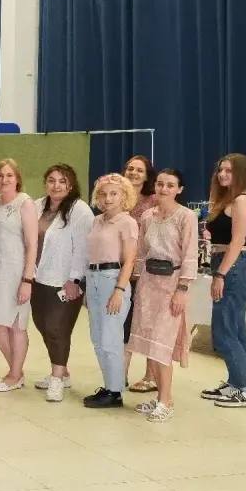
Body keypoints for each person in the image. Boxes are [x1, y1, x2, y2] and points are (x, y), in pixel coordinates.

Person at [128, 169, 197, 422]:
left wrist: (182, 289)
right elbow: (141, 251)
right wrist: (134, 279)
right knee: (149, 342)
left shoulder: (186, 216)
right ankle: (159, 397)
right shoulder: (148, 216)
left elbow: (190, 254)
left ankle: (166, 401)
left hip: (172, 283)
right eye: (160, 184)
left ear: (179, 189)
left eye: (170, 185)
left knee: (161, 344)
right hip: (148, 283)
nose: (163, 189)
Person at [202, 153, 246, 408]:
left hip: (233, 267)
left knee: (224, 329)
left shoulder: (241, 200)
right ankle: (237, 382)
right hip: (227, 263)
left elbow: (238, 241)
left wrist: (221, 274)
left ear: (241, 173)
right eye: (220, 170)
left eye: (229, 170)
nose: (222, 174)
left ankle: (245, 389)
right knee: (235, 327)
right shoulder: (229, 199)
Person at [29, 164, 94, 402]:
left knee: (58, 328)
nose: (56, 185)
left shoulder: (80, 210)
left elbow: (83, 249)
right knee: (42, 325)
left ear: (71, 185)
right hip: (39, 278)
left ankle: (57, 378)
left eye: (62, 181)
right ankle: (62, 371)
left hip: (66, 281)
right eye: (52, 180)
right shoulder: (37, 206)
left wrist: (74, 279)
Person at [0, 159, 39, 392]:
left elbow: (32, 244)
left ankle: (14, 374)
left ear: (17, 178)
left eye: (9, 175)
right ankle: (16, 371)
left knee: (15, 325)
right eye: (0, 175)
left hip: (15, 272)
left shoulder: (25, 203)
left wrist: (27, 280)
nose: (4, 179)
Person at [82, 174, 139, 409]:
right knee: (97, 338)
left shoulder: (127, 222)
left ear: (124, 196)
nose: (108, 198)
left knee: (111, 339)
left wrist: (119, 290)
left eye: (114, 193)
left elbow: (130, 260)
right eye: (103, 194)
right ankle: (108, 385)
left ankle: (116, 392)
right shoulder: (97, 221)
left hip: (112, 279)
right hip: (93, 278)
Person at [123, 154, 159, 394]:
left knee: (148, 325)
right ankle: (119, 374)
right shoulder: (117, 197)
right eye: (130, 169)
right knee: (123, 325)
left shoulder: (154, 200)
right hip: (120, 270)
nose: (134, 173)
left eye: (139, 170)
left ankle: (151, 376)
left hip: (146, 271)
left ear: (147, 176)